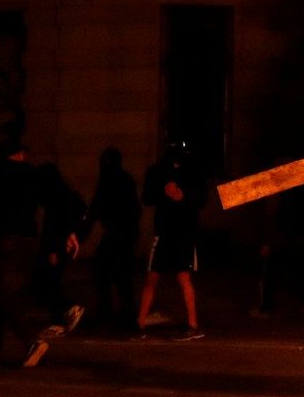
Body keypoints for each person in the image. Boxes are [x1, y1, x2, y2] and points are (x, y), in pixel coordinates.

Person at [0, 137, 78, 367]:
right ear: (19, 153)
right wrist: (67, 232)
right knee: (4, 291)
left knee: (4, 293)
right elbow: (57, 202)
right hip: (27, 239)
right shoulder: (33, 175)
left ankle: (30, 342)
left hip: (4, 239)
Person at [135, 140, 208, 341]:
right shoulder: (158, 171)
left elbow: (201, 198)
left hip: (184, 231)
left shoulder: (193, 171)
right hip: (165, 231)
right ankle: (139, 323)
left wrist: (183, 196)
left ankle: (193, 324)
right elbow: (147, 197)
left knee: (183, 276)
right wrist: (164, 191)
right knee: (153, 276)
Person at [85, 146, 141, 331]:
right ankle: (117, 311)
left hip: (121, 231)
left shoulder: (115, 180)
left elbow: (99, 205)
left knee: (112, 271)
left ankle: (117, 312)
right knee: (113, 270)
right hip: (123, 231)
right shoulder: (122, 179)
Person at [34, 162, 88, 339]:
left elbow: (53, 226)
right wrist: (73, 234)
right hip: (62, 245)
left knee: (49, 283)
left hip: (55, 247)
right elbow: (79, 213)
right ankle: (60, 318)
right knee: (50, 282)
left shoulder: (54, 198)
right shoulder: (67, 194)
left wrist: (52, 251)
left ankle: (64, 314)